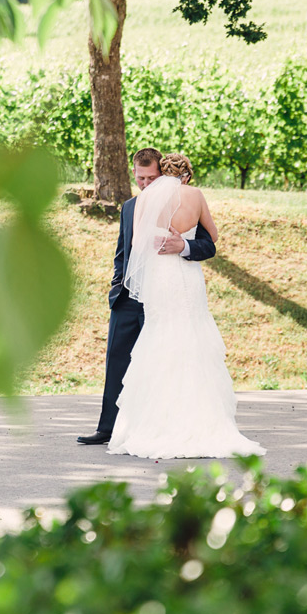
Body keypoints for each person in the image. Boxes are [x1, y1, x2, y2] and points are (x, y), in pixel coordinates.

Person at [107, 153, 265, 458]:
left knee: (159, 339)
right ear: (188, 175)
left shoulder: (146, 199)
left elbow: (137, 242)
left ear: (162, 174)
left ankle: (155, 425)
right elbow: (214, 236)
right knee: (192, 338)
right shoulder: (195, 195)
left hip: (160, 276)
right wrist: (184, 242)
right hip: (187, 275)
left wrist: (163, 240)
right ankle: (202, 420)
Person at [77, 148, 216, 446]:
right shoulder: (130, 206)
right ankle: (107, 428)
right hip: (128, 296)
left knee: (159, 360)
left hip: (167, 294)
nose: (145, 184)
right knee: (117, 359)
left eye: (151, 178)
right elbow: (122, 251)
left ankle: (150, 428)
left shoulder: (181, 199)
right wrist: (117, 284)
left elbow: (209, 244)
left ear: (163, 174)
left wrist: (184, 246)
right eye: (140, 178)